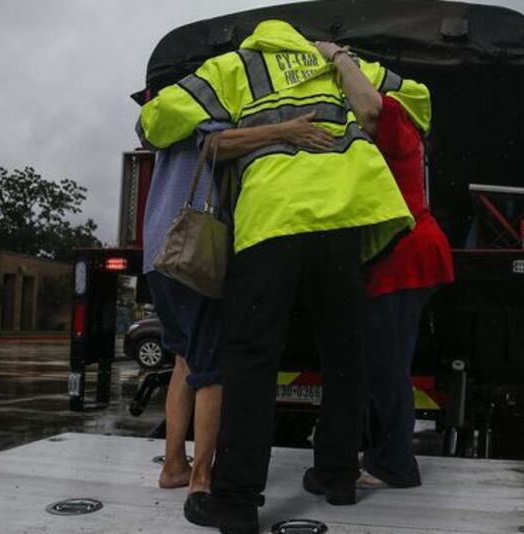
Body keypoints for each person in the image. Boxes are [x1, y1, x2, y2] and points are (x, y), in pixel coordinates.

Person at [137, 20, 422, 533]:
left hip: (271, 222)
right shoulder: (338, 62)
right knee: (343, 355)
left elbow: (153, 124)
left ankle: (237, 502)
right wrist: (339, 60)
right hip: (343, 222)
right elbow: (418, 101)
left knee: (250, 359)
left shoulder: (234, 67)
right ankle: (337, 477)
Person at [140, 115, 334, 495]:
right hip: (196, 251)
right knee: (213, 370)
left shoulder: (162, 118)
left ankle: (175, 466)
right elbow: (218, 145)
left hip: (156, 254)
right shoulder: (206, 111)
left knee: (185, 359)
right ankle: (202, 479)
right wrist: (286, 130)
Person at [312, 41, 453, 489]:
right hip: (403, 257)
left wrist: (337, 58)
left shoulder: (397, 116)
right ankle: (381, 454)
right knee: (382, 363)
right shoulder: (399, 131)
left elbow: (370, 109)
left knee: (386, 365)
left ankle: (396, 463)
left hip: (404, 258)